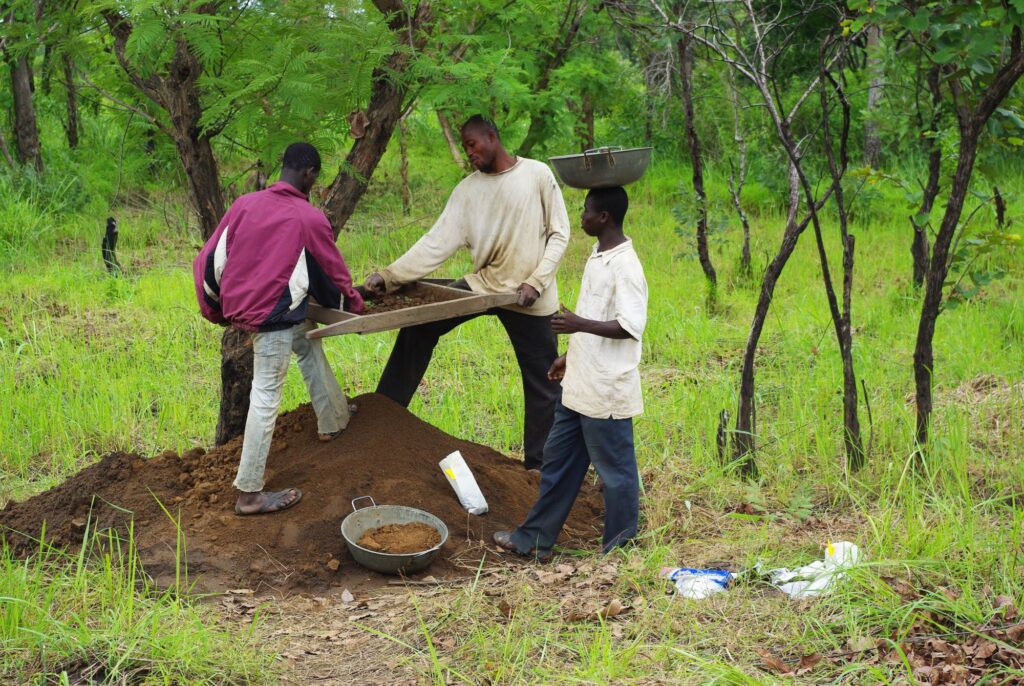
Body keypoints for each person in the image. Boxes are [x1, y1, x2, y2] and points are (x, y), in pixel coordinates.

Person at [363, 115, 570, 470]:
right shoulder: (467, 191)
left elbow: (559, 234)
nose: (469, 153)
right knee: (419, 326)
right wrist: (389, 276)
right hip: (484, 285)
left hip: (529, 295)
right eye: (465, 147)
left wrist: (536, 281)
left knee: (543, 379)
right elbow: (435, 243)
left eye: (472, 144)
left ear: (492, 136)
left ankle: (540, 467)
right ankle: (385, 415)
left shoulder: (536, 175)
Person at [193, 142, 364, 516]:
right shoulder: (308, 217)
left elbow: (208, 257)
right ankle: (250, 494)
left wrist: (216, 307)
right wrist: (354, 302)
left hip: (251, 311)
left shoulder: (244, 204)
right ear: (310, 174)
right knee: (266, 395)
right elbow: (332, 269)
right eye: (315, 177)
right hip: (271, 319)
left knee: (305, 340)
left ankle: (333, 419)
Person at [493, 186, 647, 560]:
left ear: (604, 217)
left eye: (586, 211)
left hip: (606, 391)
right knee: (557, 464)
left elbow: (629, 326)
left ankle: (620, 551)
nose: (581, 217)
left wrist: (578, 325)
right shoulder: (598, 255)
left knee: (616, 475)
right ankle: (534, 540)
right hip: (579, 387)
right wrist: (570, 355)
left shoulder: (627, 266)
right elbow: (597, 313)